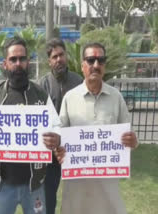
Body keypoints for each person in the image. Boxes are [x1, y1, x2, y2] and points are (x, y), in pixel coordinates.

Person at [0, 37, 65, 214]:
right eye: (13, 59)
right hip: (3, 184)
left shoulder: (40, 94)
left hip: (34, 185)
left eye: (22, 59)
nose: (18, 64)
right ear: (5, 64)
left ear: (28, 61)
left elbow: (57, 126)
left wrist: (56, 137)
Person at [59, 42, 138, 214]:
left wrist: (132, 141)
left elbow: (128, 136)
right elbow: (60, 138)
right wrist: (59, 150)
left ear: (105, 65)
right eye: (91, 60)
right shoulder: (69, 98)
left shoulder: (116, 97)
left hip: (107, 184)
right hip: (76, 185)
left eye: (100, 60)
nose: (96, 65)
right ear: (82, 66)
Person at [38, 38, 82, 214]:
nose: (59, 59)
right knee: (48, 197)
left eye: (61, 55)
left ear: (67, 56)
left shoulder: (79, 82)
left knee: (78, 196)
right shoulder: (43, 85)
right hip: (51, 154)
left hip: (76, 150)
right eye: (54, 57)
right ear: (49, 61)